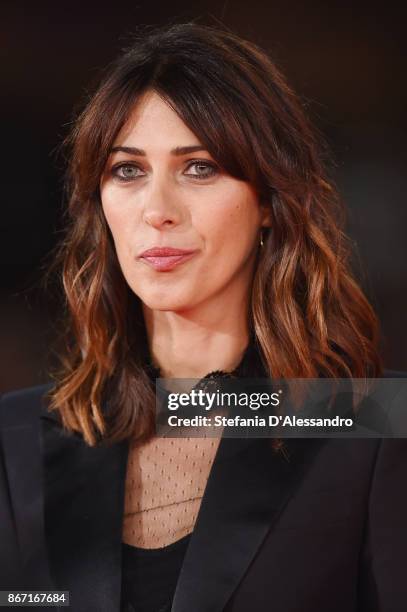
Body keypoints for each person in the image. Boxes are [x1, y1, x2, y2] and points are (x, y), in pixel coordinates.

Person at [0, 22, 406, 612]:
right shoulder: (16, 440)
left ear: (268, 199)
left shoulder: (372, 426)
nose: (158, 210)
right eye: (128, 170)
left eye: (200, 167)